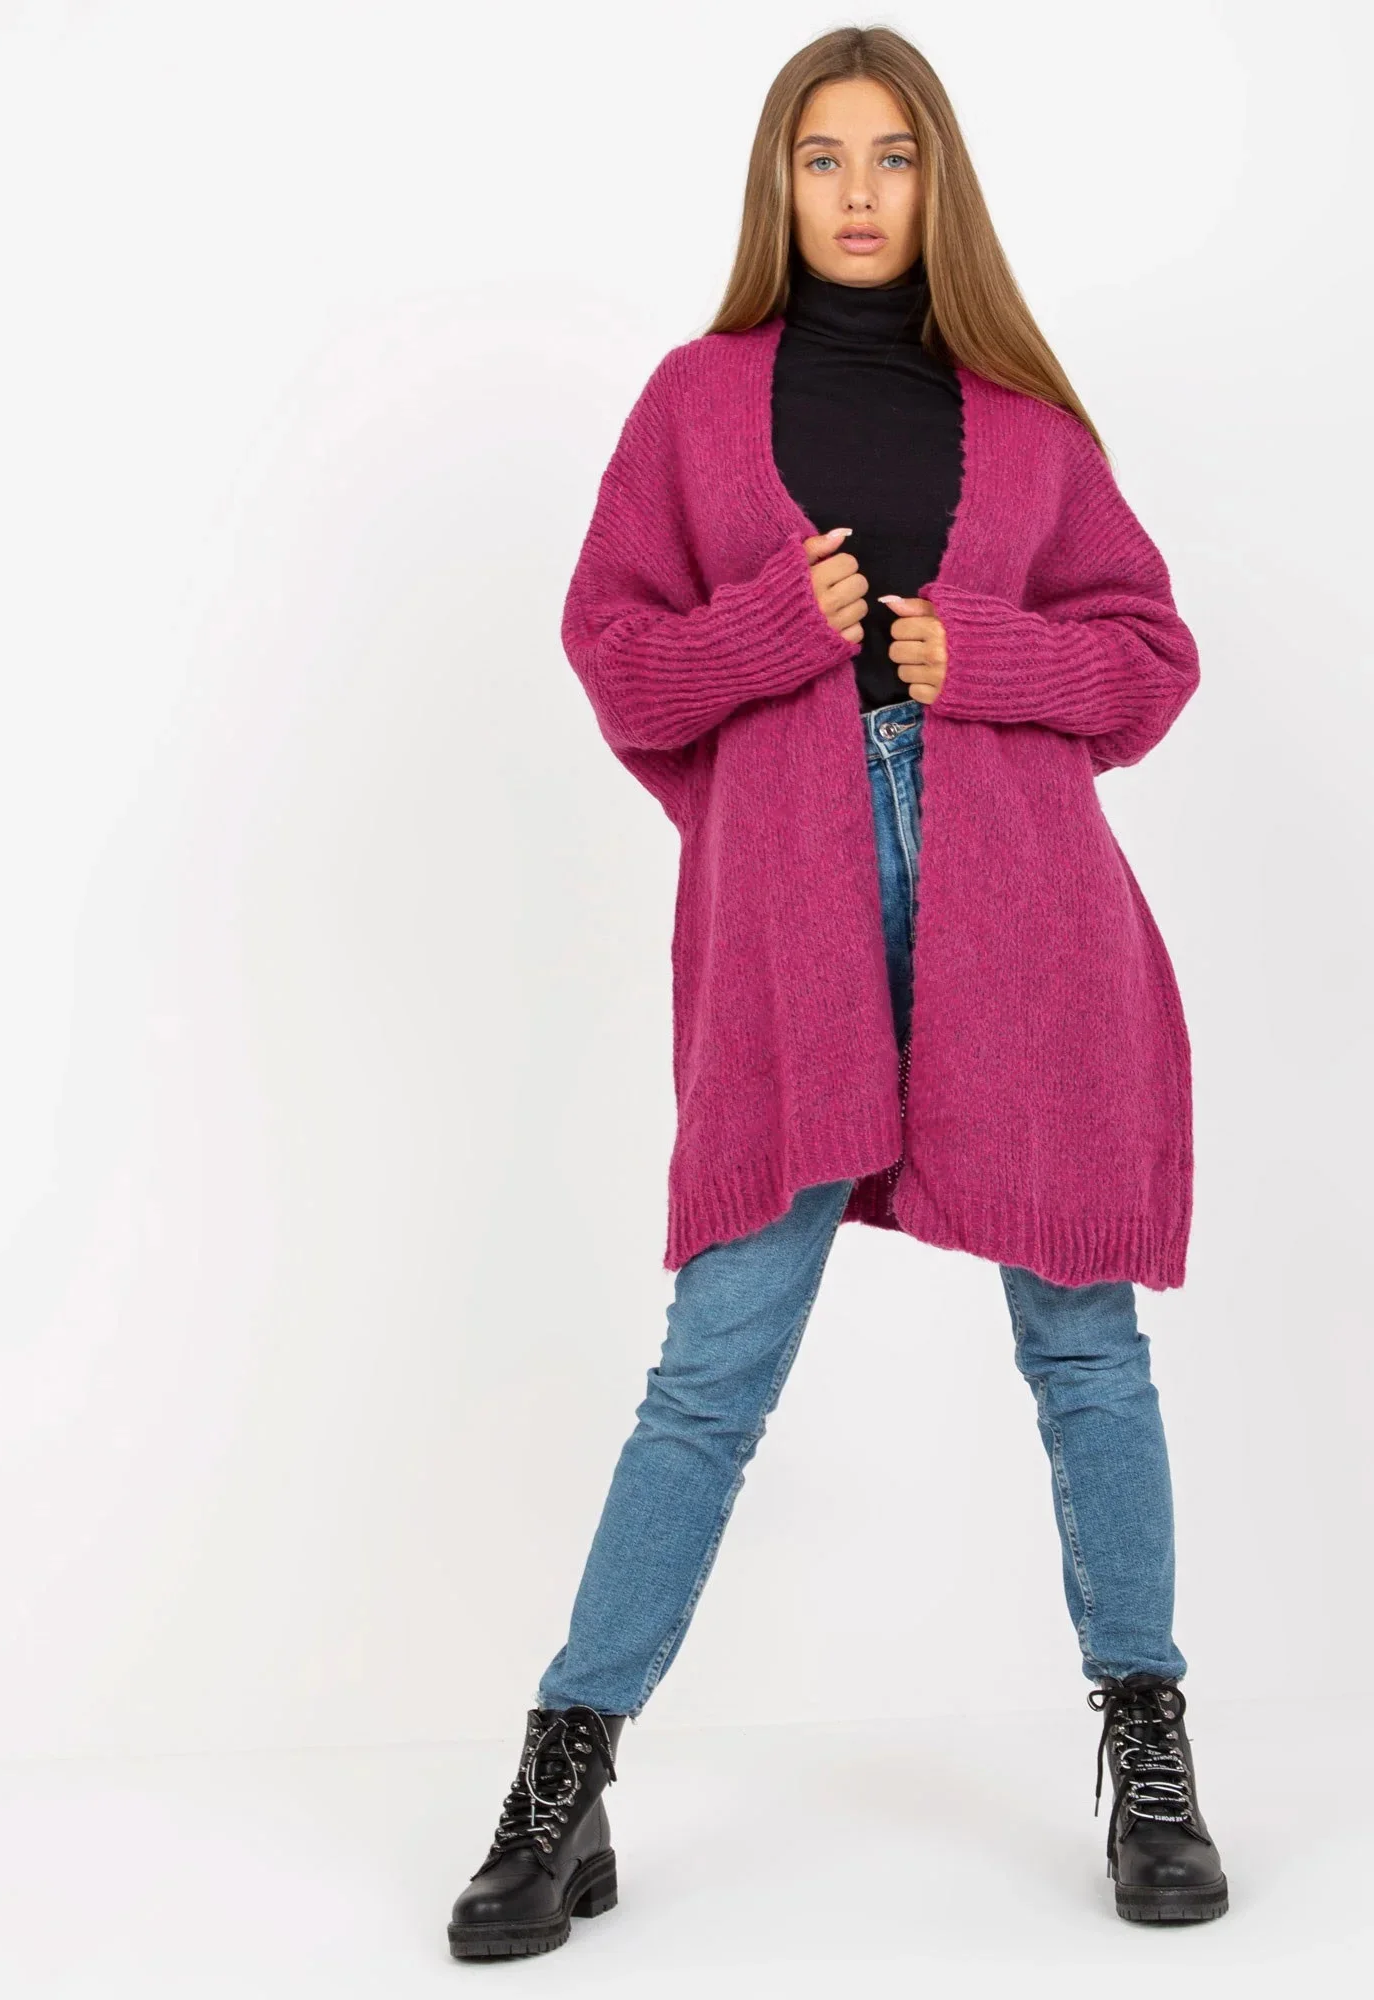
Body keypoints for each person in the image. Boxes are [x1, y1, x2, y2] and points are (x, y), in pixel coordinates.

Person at [447, 23, 1228, 1960]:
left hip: (1025, 917)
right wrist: (768, 631)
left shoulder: (1028, 423)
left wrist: (990, 659)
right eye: (824, 157)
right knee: (714, 1364)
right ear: (778, 185)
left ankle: (1150, 1752)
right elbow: (619, 659)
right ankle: (565, 1771)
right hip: (790, 917)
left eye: (892, 156)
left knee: (1086, 1344)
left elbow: (1148, 658)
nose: (860, 191)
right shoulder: (695, 403)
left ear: (936, 181)